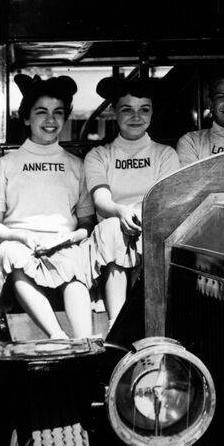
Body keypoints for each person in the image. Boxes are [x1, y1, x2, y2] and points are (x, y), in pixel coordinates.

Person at [0, 75, 94, 339]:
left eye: (58, 112)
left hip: (63, 243)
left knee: (74, 266)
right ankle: (58, 337)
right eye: (41, 112)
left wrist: (69, 239)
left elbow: (86, 224)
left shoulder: (77, 166)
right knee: (16, 259)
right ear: (26, 118)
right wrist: (21, 236)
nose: (50, 120)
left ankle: (85, 343)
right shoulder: (4, 166)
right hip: (17, 242)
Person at [85, 76, 180, 327]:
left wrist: (140, 217)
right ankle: (116, 324)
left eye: (144, 110)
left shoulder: (165, 154)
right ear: (113, 111)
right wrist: (121, 212)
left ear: (152, 112)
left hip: (152, 222)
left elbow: (166, 200)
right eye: (127, 109)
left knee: (150, 234)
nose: (136, 117)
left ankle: (143, 322)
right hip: (114, 226)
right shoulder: (99, 155)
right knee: (112, 229)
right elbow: (101, 199)